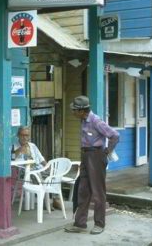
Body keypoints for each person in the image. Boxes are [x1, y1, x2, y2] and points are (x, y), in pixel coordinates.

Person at [65, 95, 119, 235]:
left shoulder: (96, 121)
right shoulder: (83, 120)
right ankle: (80, 223)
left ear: (82, 110)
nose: (73, 113)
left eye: (74, 110)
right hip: (85, 155)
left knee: (98, 192)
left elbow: (114, 135)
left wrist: (108, 150)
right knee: (83, 190)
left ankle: (99, 224)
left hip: (96, 156)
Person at [13, 126, 62, 210]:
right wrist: (20, 150)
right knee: (37, 176)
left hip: (38, 168)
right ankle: (44, 202)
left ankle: (55, 198)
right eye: (22, 135)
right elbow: (12, 158)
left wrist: (48, 168)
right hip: (24, 172)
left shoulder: (32, 146)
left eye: (27, 135)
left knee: (55, 173)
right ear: (18, 135)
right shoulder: (14, 146)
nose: (25, 137)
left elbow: (41, 159)